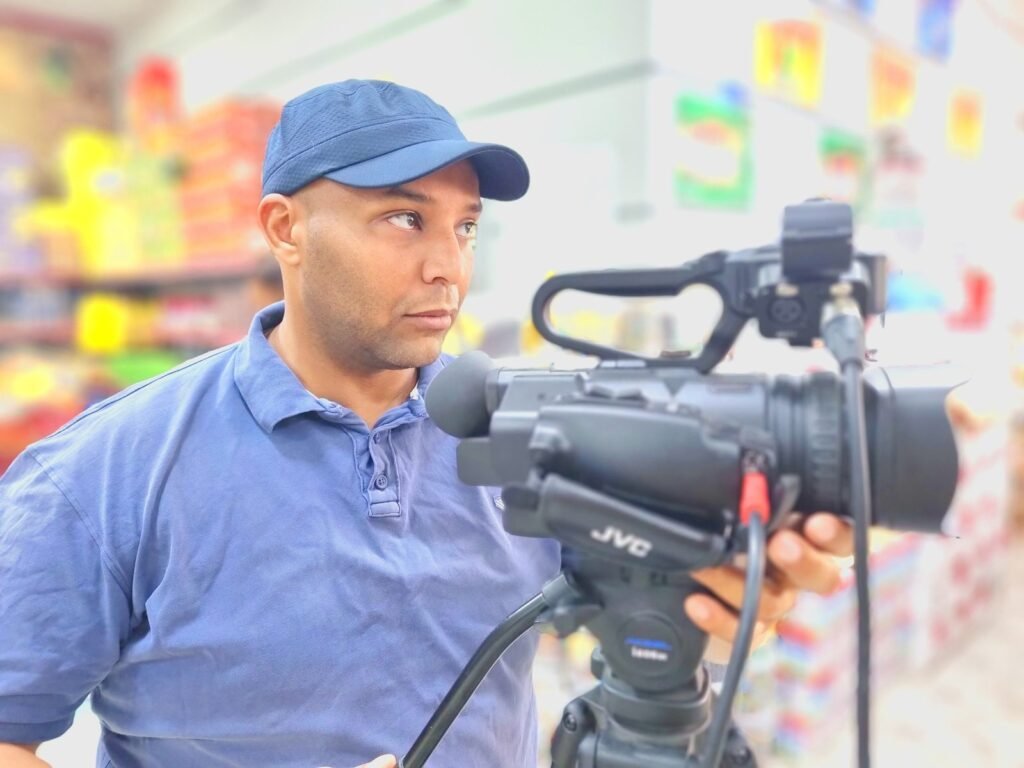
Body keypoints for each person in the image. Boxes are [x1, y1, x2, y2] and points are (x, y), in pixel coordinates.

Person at [0, 80, 852, 768]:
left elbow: (656, 600)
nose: (448, 266)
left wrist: (723, 597)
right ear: (285, 229)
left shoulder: (531, 434)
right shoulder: (102, 473)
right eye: (404, 219)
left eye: (466, 226)